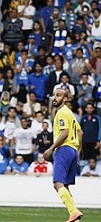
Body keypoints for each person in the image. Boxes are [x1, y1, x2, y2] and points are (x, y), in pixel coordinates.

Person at [44, 89, 84, 222]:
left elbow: (65, 132)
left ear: (65, 99)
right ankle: (76, 219)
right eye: (54, 95)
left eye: (59, 95)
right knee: (65, 186)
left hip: (63, 150)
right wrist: (77, 151)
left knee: (57, 183)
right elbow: (80, 133)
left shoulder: (61, 112)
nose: (55, 98)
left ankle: (74, 212)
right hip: (72, 150)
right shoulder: (70, 114)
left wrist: (51, 148)